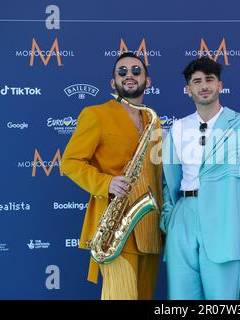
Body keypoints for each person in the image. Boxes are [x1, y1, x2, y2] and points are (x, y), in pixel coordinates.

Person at [160, 57, 240, 300]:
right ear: (188, 90)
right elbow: (168, 182)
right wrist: (169, 218)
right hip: (183, 218)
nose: (204, 85)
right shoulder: (176, 128)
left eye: (209, 79)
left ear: (220, 85)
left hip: (225, 218)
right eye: (196, 81)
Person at [61, 52, 163, 300]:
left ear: (147, 81)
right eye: (122, 72)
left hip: (148, 227)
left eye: (136, 71)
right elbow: (70, 163)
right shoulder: (95, 114)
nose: (130, 75)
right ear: (112, 82)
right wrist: (107, 183)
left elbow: (157, 174)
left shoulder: (153, 121)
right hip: (115, 228)